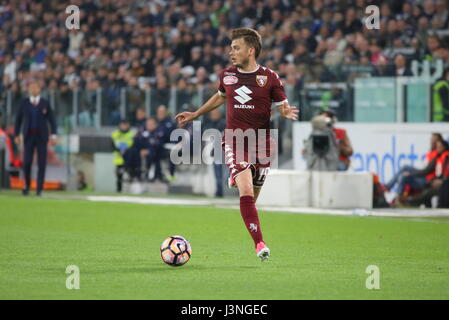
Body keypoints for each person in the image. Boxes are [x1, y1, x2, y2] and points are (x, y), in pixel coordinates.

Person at [175, 28, 298, 261]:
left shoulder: (270, 77)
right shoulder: (227, 75)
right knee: (247, 190)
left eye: (236, 48)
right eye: (230, 47)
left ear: (250, 51)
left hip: (262, 142)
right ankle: (259, 243)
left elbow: (283, 104)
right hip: (235, 139)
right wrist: (195, 114)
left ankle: (238, 173)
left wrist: (285, 111)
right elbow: (220, 97)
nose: (231, 52)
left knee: (254, 196)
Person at [14, 81, 57, 196]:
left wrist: (53, 135)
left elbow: (52, 120)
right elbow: (18, 119)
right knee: (27, 162)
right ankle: (27, 185)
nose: (33, 90)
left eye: (35, 88)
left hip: (41, 137)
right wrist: (16, 134)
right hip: (28, 136)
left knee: (42, 163)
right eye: (31, 88)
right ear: (28, 90)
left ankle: (39, 189)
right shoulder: (24, 103)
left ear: (39, 90)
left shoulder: (45, 103)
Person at [385, 133, 443, 197]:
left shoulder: (437, 155)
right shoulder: (431, 152)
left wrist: (411, 173)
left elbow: (426, 171)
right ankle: (388, 187)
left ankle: (398, 197)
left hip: (427, 180)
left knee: (403, 176)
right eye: (431, 139)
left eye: (433, 140)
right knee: (404, 168)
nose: (431, 141)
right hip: (423, 176)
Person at [401, 139, 449, 207]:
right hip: (436, 180)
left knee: (428, 191)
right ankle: (415, 202)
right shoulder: (438, 157)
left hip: (444, 183)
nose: (437, 148)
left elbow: (444, 173)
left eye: (439, 147)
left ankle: (410, 201)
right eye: (437, 147)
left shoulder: (446, 157)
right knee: (426, 186)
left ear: (444, 147)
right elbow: (427, 169)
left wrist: (442, 181)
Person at [203, 108, 226, 197]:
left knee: (223, 173)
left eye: (215, 113)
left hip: (224, 152)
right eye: (212, 114)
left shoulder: (223, 123)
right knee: (217, 173)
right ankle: (219, 191)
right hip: (215, 152)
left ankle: (223, 190)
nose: (213, 115)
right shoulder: (209, 124)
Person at [111, 119, 137, 192]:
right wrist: (119, 150)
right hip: (119, 159)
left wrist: (127, 151)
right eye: (122, 124)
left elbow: (135, 145)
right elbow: (112, 146)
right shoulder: (115, 134)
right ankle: (119, 190)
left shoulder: (132, 133)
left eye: (125, 124)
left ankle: (132, 190)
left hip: (129, 158)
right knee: (119, 176)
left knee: (131, 174)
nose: (124, 126)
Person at [138, 118, 163, 182]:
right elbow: (138, 143)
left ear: (155, 125)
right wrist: (141, 150)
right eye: (148, 124)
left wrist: (148, 151)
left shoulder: (159, 132)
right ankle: (136, 174)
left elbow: (158, 145)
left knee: (153, 155)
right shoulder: (143, 133)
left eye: (151, 124)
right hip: (143, 154)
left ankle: (151, 174)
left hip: (157, 154)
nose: (149, 126)